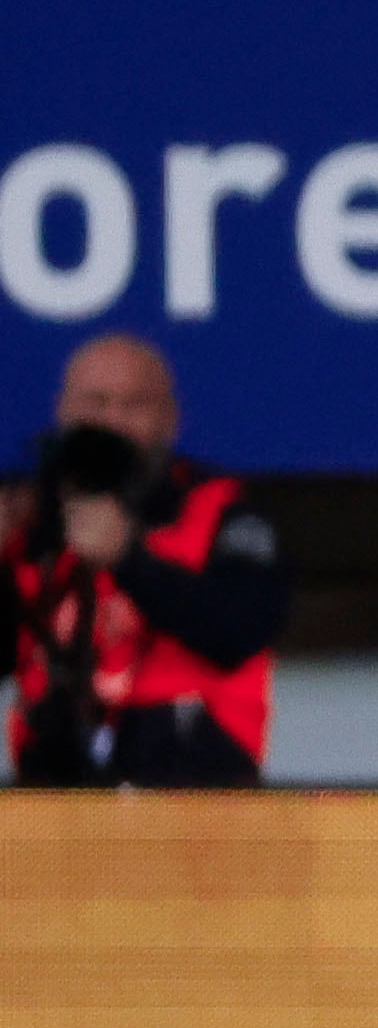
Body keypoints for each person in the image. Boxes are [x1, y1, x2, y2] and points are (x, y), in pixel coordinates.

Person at [5, 334, 289, 786]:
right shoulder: (31, 521)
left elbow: (242, 627)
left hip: (197, 804)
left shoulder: (221, 508)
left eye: (134, 405)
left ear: (170, 420)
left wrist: (128, 559)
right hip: (54, 808)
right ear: (62, 412)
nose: (112, 421)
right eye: (96, 403)